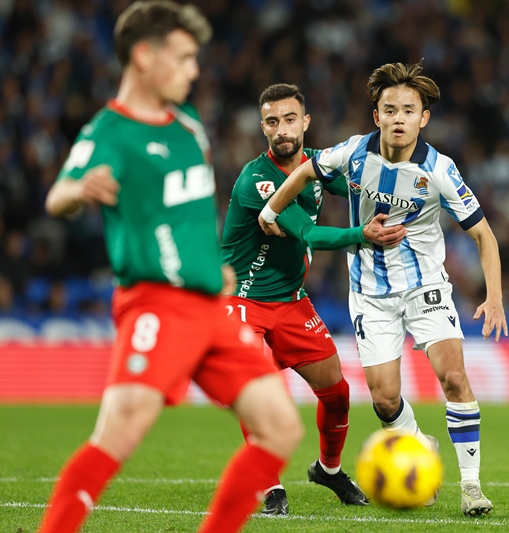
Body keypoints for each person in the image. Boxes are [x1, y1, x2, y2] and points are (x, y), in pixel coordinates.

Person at [37, 2, 303, 532]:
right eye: (183, 59)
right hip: (156, 303)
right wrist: (80, 190)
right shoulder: (110, 131)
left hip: (212, 306)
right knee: (118, 435)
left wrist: (214, 266)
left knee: (280, 428)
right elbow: (57, 196)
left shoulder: (188, 125)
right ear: (143, 56)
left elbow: (191, 212)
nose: (193, 70)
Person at [258, 61, 508, 517]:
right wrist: (272, 209)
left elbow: (483, 235)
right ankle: (418, 445)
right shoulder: (353, 153)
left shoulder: (439, 170)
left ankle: (471, 486)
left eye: (408, 110)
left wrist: (494, 296)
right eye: (389, 109)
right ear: (376, 116)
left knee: (453, 377)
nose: (398, 118)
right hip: (370, 294)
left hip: (425, 287)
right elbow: (307, 171)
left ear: (422, 118)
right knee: (384, 398)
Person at [220, 83, 405, 514]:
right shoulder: (257, 179)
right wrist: (364, 235)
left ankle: (328, 469)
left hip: (290, 299)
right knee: (259, 391)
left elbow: (359, 184)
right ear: (262, 127)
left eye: (289, 119)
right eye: (272, 122)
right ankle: (269, 486)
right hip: (242, 301)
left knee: (337, 393)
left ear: (305, 122)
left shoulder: (317, 165)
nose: (281, 130)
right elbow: (308, 232)